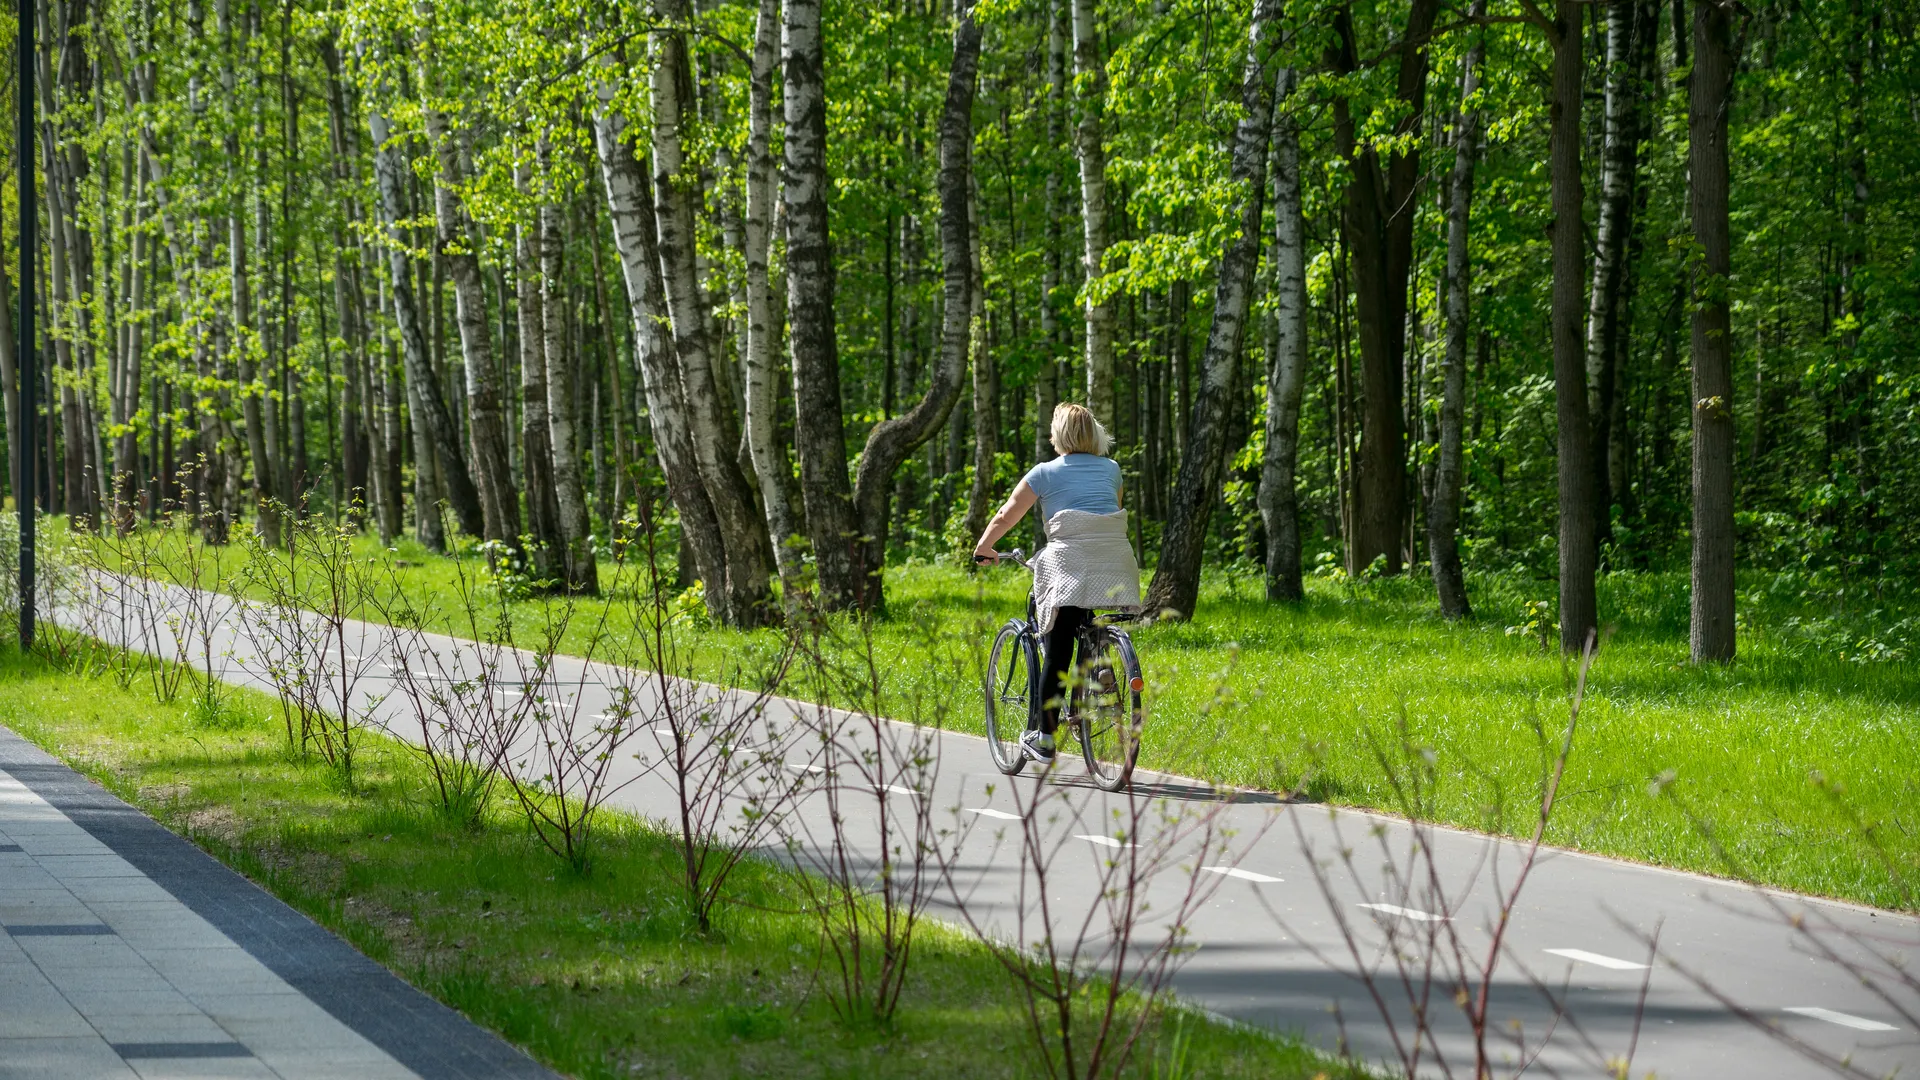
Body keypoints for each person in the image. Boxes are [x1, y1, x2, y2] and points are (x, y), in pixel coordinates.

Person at [973, 403, 1141, 763]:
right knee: (1086, 620)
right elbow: (1108, 512)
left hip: (1069, 562)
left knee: (1059, 640)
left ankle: (1045, 737)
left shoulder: (1045, 472)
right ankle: (1103, 671)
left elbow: (1007, 514)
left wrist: (985, 545)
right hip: (1116, 563)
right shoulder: (1112, 469)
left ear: (1059, 435)